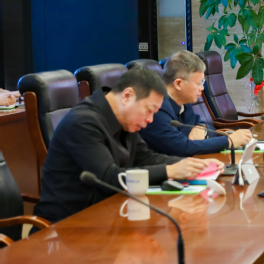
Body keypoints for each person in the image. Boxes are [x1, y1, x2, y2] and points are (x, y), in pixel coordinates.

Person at [34, 68, 223, 224]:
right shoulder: (83, 123)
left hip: (108, 219)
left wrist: (191, 165)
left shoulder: (125, 120)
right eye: (149, 111)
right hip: (67, 226)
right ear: (127, 96)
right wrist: (170, 170)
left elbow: (145, 157)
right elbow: (109, 178)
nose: (150, 120)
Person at [139, 51, 253, 157]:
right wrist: (229, 141)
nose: (202, 88)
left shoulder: (184, 102)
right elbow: (181, 148)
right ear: (178, 84)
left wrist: (200, 126)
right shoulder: (156, 109)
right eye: (199, 83)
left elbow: (207, 126)